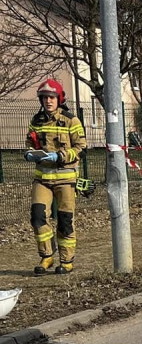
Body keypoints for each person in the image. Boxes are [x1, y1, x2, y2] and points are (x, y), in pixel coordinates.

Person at [26, 79, 87, 274]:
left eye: (51, 97)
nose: (48, 101)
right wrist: (29, 153)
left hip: (66, 179)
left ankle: (67, 260)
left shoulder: (71, 120)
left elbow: (81, 148)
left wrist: (60, 155)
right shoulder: (36, 121)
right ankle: (47, 257)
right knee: (37, 217)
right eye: (44, 98)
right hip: (42, 179)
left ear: (59, 98)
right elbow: (30, 142)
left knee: (65, 220)